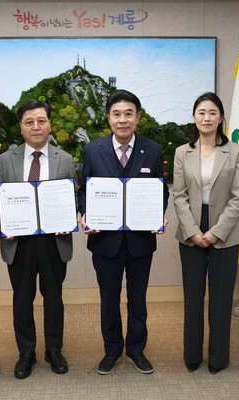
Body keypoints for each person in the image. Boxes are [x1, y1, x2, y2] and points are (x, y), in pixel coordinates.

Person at [78, 89, 169, 375]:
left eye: (128, 114)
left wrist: (159, 213)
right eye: (116, 114)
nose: (122, 120)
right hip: (105, 240)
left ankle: (137, 350)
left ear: (138, 118)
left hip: (140, 240)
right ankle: (112, 350)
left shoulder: (152, 150)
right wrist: (84, 214)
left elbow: (160, 190)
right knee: (109, 300)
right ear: (108, 118)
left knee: (138, 300)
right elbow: (84, 190)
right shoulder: (94, 149)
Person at [0, 99, 76, 379]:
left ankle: (54, 350)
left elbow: (73, 195)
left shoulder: (64, 159)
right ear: (21, 127)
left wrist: (69, 217)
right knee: (22, 298)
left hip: (54, 240)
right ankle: (26, 353)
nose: (36, 126)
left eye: (41, 121)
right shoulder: (5, 160)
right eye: (29, 122)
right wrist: (2, 219)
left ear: (50, 125)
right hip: (19, 241)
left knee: (54, 298)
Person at [172, 92, 239, 374]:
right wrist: (193, 231)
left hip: (225, 231)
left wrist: (216, 232)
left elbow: (238, 197)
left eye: (212, 112)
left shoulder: (236, 151)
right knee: (192, 299)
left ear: (221, 117)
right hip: (190, 228)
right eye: (201, 112)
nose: (207, 117)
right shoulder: (182, 152)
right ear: (194, 117)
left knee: (221, 299)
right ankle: (192, 355)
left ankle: (218, 358)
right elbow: (178, 195)